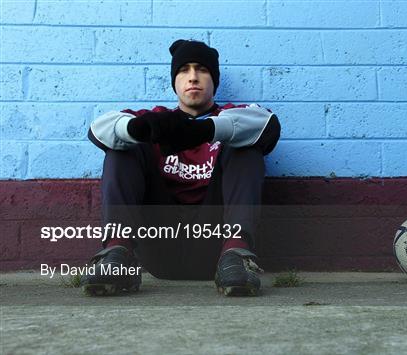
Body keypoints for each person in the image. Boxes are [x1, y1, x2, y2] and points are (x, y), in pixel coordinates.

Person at [81, 39, 280, 297]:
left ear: (214, 79)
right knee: (125, 144)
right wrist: (137, 129)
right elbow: (98, 129)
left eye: (202, 69)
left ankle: (238, 255)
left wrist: (204, 130)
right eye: (184, 70)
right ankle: (117, 255)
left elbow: (267, 125)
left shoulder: (233, 116)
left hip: (218, 247)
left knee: (244, 143)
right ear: (174, 80)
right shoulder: (157, 119)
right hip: (159, 244)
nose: (193, 77)